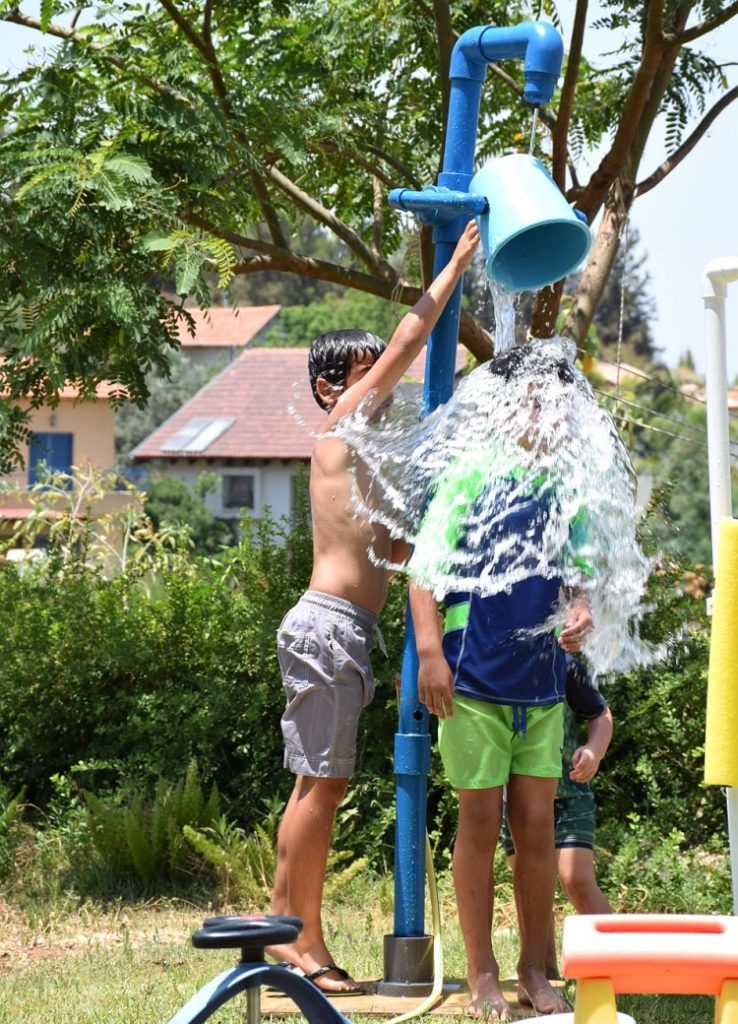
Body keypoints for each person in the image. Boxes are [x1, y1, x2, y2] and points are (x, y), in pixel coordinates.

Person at [268, 220, 480, 995]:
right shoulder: (338, 428)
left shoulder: (364, 458)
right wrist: (451, 267)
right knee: (319, 786)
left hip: (342, 628)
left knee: (313, 784)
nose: (381, 387)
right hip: (328, 627)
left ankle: (283, 929)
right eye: (364, 376)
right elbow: (405, 344)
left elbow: (389, 556)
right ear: (333, 387)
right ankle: (299, 941)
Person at [408, 344, 594, 1019]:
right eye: (541, 400)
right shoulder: (471, 473)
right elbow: (424, 571)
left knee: (538, 827)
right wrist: (431, 654)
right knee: (480, 824)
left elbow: (583, 578)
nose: (552, 413)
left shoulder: (566, 484)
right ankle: (482, 972)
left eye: (560, 403)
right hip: (472, 684)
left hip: (541, 687)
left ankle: (534, 972)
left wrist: (581, 611)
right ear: (513, 405)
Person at [501, 654, 613, 982]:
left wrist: (594, 750)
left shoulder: (560, 662)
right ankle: (543, 972)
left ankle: (619, 959)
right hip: (518, 801)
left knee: (574, 877)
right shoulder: (490, 660)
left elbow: (600, 714)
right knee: (532, 884)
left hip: (569, 796)